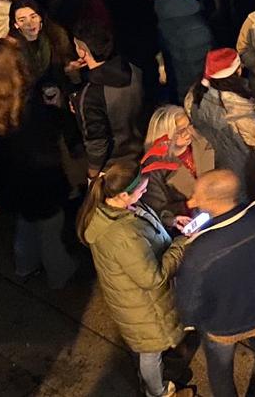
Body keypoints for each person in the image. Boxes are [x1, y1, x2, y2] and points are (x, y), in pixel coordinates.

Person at [0, 38, 78, 290]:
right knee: (51, 233)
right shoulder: (28, 106)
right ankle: (60, 273)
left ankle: (25, 264)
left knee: (26, 224)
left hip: (10, 181)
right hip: (40, 183)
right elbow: (45, 142)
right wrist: (56, 110)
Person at [77, 160, 188, 397]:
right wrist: (183, 244)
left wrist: (170, 220)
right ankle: (156, 392)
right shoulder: (122, 235)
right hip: (143, 306)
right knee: (151, 351)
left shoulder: (114, 208)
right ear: (123, 195)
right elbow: (153, 278)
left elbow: (145, 219)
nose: (145, 191)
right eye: (141, 189)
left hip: (135, 299)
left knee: (145, 349)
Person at [176, 170, 255, 397]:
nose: (191, 201)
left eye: (196, 196)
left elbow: (189, 301)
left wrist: (192, 322)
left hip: (221, 327)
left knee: (220, 375)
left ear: (212, 202)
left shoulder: (198, 250)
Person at [185, 49, 255, 197]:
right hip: (242, 175)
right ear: (237, 71)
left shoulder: (196, 95)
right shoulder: (239, 110)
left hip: (210, 167)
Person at [72, 20, 144, 179]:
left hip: (113, 165)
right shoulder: (132, 68)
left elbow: (97, 142)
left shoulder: (90, 95)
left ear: (83, 51)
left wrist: (92, 175)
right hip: (140, 151)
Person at [141, 105, 216, 228]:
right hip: (193, 221)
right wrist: (187, 205)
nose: (188, 133)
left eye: (189, 126)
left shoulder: (203, 142)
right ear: (164, 136)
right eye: (181, 131)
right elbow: (158, 210)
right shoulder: (154, 168)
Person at [153, 0, 213, 101]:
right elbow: (201, 66)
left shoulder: (163, 0)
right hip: (190, 87)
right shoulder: (198, 29)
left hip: (173, 71)